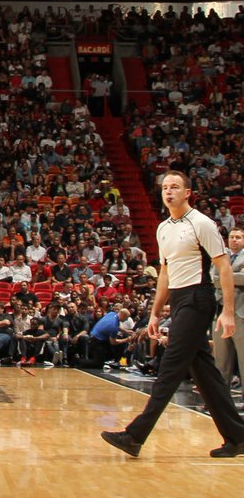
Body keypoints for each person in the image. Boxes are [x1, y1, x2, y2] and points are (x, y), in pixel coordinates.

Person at [102, 171, 244, 458]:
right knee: (205, 373)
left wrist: (228, 312)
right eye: (165, 187)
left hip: (198, 297)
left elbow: (224, 268)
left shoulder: (201, 223)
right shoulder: (163, 228)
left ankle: (134, 435)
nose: (169, 192)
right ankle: (238, 437)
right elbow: (165, 274)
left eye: (175, 187)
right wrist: (155, 313)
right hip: (179, 299)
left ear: (187, 192)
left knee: (169, 369)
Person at [212, 227, 244, 386]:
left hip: (240, 313)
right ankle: (220, 402)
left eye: (238, 237)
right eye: (232, 237)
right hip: (220, 311)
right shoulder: (221, 256)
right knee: (221, 361)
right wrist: (234, 275)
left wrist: (224, 274)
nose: (234, 240)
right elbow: (214, 279)